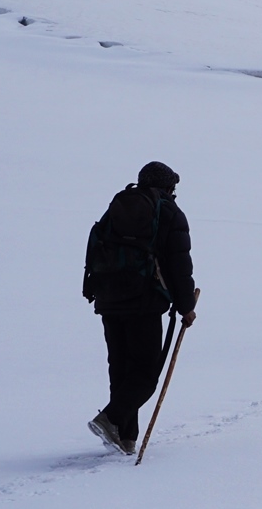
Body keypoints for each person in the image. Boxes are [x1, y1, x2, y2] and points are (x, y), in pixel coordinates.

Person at [82, 161, 197, 454]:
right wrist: (186, 307)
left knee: (121, 370)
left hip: (108, 299)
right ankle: (110, 419)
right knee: (145, 373)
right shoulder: (170, 212)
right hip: (143, 301)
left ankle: (124, 437)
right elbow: (179, 264)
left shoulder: (118, 206)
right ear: (168, 186)